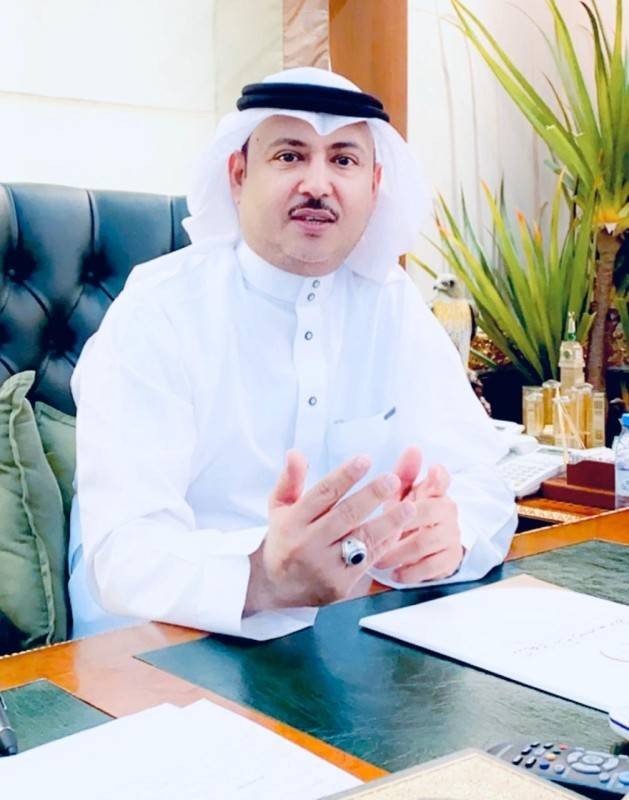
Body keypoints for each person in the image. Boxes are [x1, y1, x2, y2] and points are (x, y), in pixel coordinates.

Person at [68, 67, 517, 640]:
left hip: (347, 643)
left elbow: (481, 479)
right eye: (289, 156)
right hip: (164, 645)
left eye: (344, 160)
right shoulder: (159, 309)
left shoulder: (392, 303)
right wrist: (261, 574)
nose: (318, 184)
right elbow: (122, 551)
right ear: (238, 175)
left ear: (375, 184)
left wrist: (450, 535)